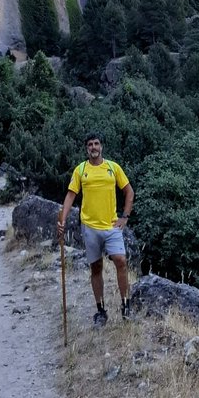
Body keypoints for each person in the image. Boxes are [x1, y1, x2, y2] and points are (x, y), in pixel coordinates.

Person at [57, 133, 134, 325]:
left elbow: (129, 191)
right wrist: (62, 219)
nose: (93, 147)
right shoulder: (81, 170)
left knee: (121, 261)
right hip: (90, 227)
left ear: (101, 147)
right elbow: (70, 196)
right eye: (90, 144)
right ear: (86, 149)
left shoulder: (113, 168)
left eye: (96, 144)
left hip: (111, 225)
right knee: (96, 267)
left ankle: (126, 304)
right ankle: (101, 311)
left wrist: (124, 216)